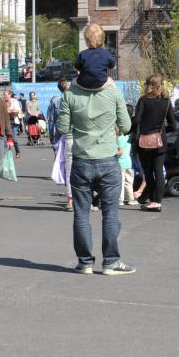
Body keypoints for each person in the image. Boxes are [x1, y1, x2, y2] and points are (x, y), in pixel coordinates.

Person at [56, 70, 134, 275]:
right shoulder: (113, 93)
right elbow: (126, 126)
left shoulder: (69, 95)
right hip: (107, 158)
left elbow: (63, 127)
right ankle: (111, 262)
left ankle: (85, 262)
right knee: (110, 214)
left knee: (81, 213)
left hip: (82, 159)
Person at [131, 73, 176, 213]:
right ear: (161, 84)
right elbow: (173, 125)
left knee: (148, 172)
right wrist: (162, 131)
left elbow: (136, 120)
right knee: (159, 171)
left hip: (144, 141)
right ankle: (158, 202)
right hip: (160, 141)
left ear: (148, 85)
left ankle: (151, 201)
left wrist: (133, 131)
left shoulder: (143, 100)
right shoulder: (166, 101)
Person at [47, 78, 75, 210]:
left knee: (66, 166)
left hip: (63, 135)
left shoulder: (55, 100)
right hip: (78, 136)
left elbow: (51, 119)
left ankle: (70, 198)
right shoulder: (75, 98)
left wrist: (51, 136)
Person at [74, 23, 116, 89]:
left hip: (84, 84)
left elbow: (76, 68)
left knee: (73, 82)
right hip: (101, 83)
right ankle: (115, 97)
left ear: (86, 40)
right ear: (103, 39)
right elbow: (112, 67)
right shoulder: (106, 54)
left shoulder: (82, 54)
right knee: (111, 81)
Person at [117, 130, 137, 206]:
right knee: (128, 183)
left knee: (121, 182)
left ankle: (120, 200)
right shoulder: (128, 137)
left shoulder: (120, 138)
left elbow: (120, 151)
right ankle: (131, 199)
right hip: (128, 162)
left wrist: (111, 153)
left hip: (121, 163)